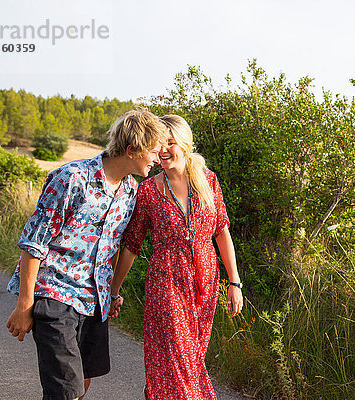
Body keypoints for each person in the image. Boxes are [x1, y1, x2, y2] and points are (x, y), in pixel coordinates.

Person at [5, 109, 169, 400]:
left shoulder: (131, 191)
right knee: (65, 391)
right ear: (131, 150)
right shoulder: (71, 178)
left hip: (94, 302)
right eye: (154, 152)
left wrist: (113, 291)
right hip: (55, 294)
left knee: (82, 385)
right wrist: (24, 304)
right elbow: (33, 244)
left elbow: (114, 245)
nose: (158, 159)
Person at [110, 114, 243, 400]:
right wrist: (114, 289)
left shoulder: (208, 181)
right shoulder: (147, 190)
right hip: (166, 283)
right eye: (159, 144)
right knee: (180, 361)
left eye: (170, 143)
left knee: (189, 362)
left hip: (205, 284)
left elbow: (221, 231)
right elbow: (132, 245)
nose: (163, 150)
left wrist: (234, 282)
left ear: (184, 143)